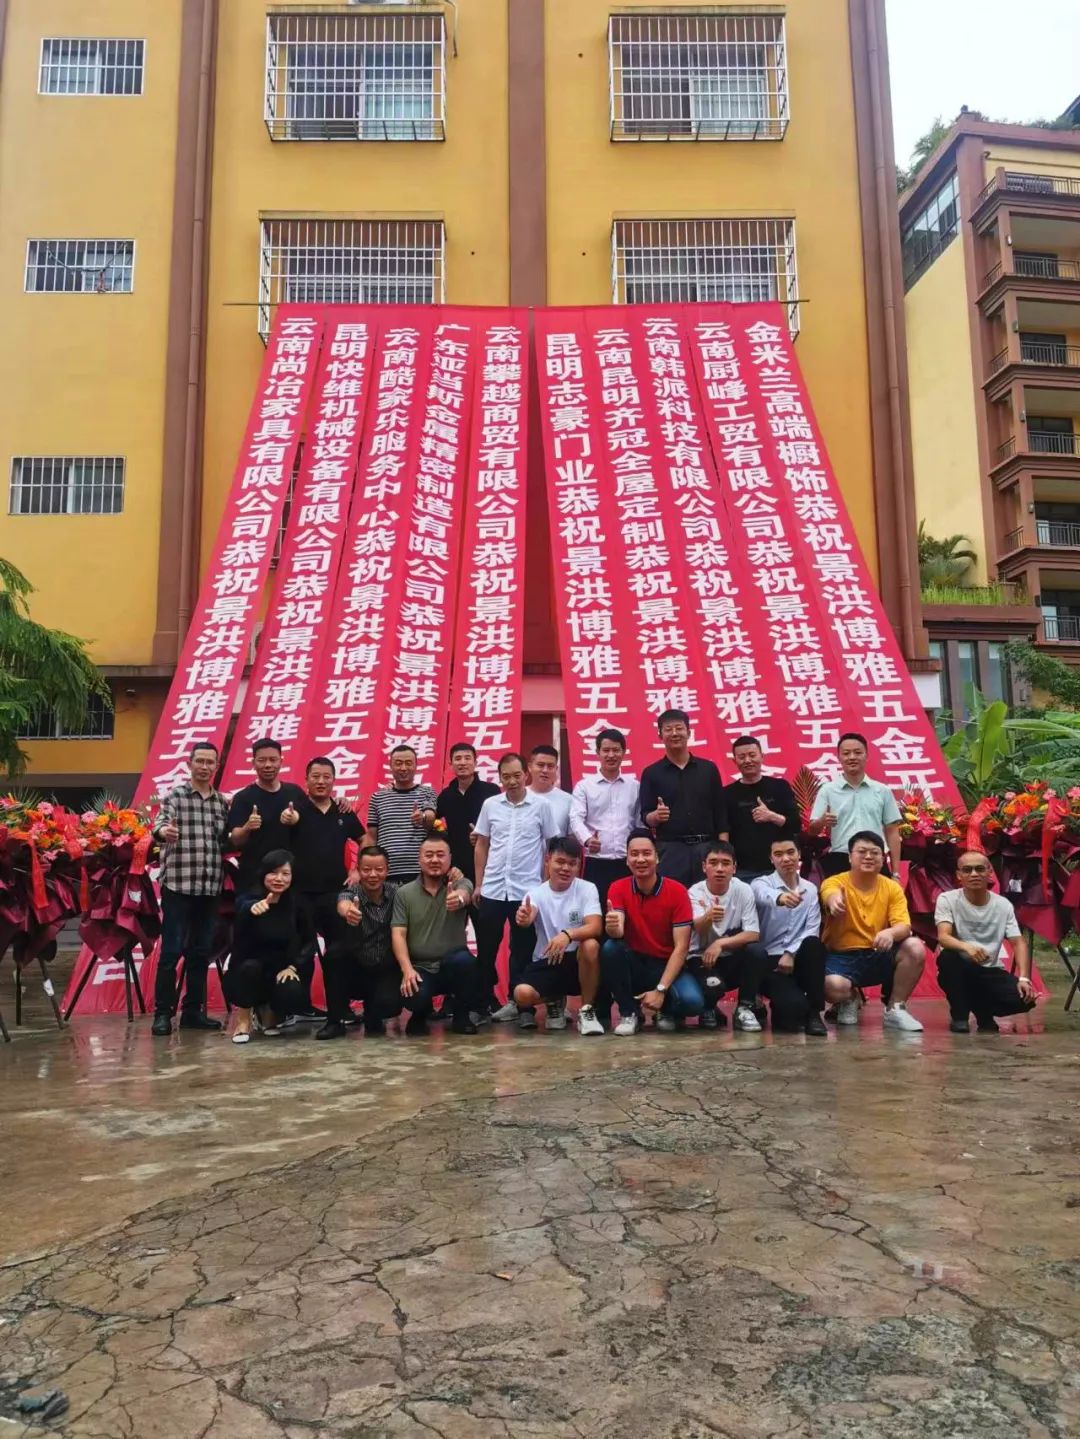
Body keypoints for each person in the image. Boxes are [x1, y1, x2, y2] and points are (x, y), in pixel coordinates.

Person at [473, 751, 560, 1022]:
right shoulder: (490, 805)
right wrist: (478, 884)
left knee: (522, 949)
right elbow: (482, 844)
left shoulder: (541, 806)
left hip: (526, 891)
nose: (511, 781)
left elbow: (551, 847)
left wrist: (546, 886)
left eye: (516, 775)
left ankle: (521, 1006)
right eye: (506, 776)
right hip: (493, 888)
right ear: (499, 778)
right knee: (486, 949)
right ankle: (482, 1003)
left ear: (526, 774)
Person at [151, 742, 230, 1036]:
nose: (205, 767)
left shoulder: (222, 803)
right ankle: (162, 1014)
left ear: (217, 766)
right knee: (171, 952)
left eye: (210, 762)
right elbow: (159, 826)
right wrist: (165, 832)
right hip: (178, 886)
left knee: (200, 952)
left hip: (209, 888)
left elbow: (225, 841)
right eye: (200, 761)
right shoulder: (176, 797)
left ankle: (193, 1012)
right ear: (190, 764)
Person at [820, 830, 926, 1032]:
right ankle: (850, 998)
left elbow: (904, 926)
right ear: (850, 857)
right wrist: (834, 901)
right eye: (862, 852)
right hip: (842, 956)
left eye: (875, 852)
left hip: (878, 952)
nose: (868, 857)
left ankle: (896, 1008)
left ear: (883, 858)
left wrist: (890, 933)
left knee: (915, 947)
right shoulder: (835, 882)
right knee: (832, 986)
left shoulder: (892, 888)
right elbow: (829, 893)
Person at [601, 828, 703, 1035]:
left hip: (666, 965)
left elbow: (681, 947)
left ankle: (665, 1010)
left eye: (646, 853)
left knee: (692, 1002)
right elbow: (617, 930)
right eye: (634, 854)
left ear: (657, 857)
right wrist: (612, 927)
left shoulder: (677, 891)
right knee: (610, 948)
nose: (640, 859)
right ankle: (629, 1013)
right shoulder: (618, 888)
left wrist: (661, 989)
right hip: (635, 964)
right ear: (627, 859)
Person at [289, 756, 366, 1019]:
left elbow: (365, 839)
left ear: (334, 780)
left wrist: (357, 869)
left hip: (335, 894)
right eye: (316, 777)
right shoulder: (296, 810)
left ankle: (340, 1008)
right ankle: (299, 1006)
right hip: (300, 893)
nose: (321, 782)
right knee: (303, 951)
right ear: (306, 780)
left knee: (338, 951)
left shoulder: (342, 810)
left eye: (326, 777)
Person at [935, 851, 1037, 1033]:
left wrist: (1024, 978)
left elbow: (1018, 942)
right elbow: (943, 937)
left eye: (980, 869)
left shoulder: (1003, 905)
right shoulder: (947, 899)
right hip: (960, 965)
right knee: (949, 958)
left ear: (990, 872)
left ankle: (983, 1014)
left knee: (1024, 999)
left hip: (990, 970)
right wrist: (967, 947)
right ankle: (959, 1015)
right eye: (967, 870)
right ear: (959, 875)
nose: (974, 874)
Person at [513, 835, 604, 1035]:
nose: (565, 868)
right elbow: (528, 916)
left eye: (572, 863)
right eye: (560, 862)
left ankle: (586, 1011)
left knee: (591, 945)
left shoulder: (587, 888)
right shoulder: (535, 894)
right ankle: (554, 999)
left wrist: (568, 935)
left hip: (577, 960)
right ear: (547, 860)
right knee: (522, 994)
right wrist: (524, 917)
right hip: (548, 960)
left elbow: (596, 926)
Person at [391, 835, 480, 1035]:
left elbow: (465, 893)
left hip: (451, 965)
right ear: (419, 859)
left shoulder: (459, 884)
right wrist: (407, 970)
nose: (434, 860)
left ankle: (462, 1016)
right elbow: (398, 934)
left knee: (467, 963)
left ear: (450, 859)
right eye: (429, 855)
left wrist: (459, 899)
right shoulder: (404, 893)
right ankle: (420, 1014)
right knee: (415, 994)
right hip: (420, 968)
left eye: (440, 855)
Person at [316, 846, 401, 1039]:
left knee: (388, 1006)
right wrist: (348, 911)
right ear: (358, 870)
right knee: (334, 956)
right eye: (366, 869)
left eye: (379, 869)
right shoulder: (350, 893)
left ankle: (374, 1014)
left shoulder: (398, 893)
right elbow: (343, 903)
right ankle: (334, 1021)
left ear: (387, 870)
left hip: (385, 967)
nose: (373, 875)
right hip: (357, 968)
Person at [687, 842, 772, 1032]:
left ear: (734, 868)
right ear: (704, 867)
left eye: (725, 863)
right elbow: (697, 928)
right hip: (701, 958)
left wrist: (720, 943)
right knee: (713, 986)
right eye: (713, 863)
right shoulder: (694, 892)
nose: (719, 869)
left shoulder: (743, 889)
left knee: (757, 952)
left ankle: (744, 1007)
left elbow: (753, 933)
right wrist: (708, 917)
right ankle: (708, 1007)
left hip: (730, 957)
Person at [638, 709, 728, 886]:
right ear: (660, 735)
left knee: (709, 898)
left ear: (689, 732)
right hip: (671, 850)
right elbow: (645, 816)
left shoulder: (708, 769)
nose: (674, 733)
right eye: (668, 729)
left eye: (679, 728)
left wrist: (724, 849)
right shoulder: (651, 773)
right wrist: (655, 816)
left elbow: (720, 812)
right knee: (672, 898)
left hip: (707, 847)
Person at [227, 850, 306, 1044]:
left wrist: (293, 967)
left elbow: (308, 940)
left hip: (279, 969)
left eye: (285, 874)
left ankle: (269, 1015)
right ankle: (243, 1020)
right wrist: (253, 908)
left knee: (293, 990)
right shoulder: (248, 898)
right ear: (263, 874)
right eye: (273, 872)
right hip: (246, 971)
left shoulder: (297, 904)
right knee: (251, 969)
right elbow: (243, 908)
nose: (279, 879)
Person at [752, 837, 828, 1035]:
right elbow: (762, 894)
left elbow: (812, 928)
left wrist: (791, 953)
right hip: (770, 961)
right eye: (778, 854)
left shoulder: (810, 889)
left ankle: (815, 1014)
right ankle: (786, 1006)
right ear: (771, 859)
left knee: (814, 944)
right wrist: (781, 897)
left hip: (797, 956)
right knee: (793, 1010)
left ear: (799, 854)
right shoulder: (761, 883)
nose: (786, 859)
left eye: (790, 852)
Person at [809, 733, 902, 877]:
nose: (852, 757)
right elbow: (812, 830)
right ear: (839, 757)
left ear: (866, 755)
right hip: (840, 859)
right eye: (846, 753)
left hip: (875, 858)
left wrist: (895, 873)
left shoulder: (882, 791)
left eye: (858, 752)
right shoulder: (827, 791)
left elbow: (892, 832)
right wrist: (821, 822)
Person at [569, 727, 639, 909]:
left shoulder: (634, 786)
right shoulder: (584, 786)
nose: (611, 755)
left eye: (616, 750)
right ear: (597, 752)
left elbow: (639, 822)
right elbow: (575, 818)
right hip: (596, 861)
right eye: (606, 750)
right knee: (596, 910)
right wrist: (587, 840)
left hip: (627, 862)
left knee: (628, 910)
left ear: (624, 752)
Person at [225, 738, 306, 893]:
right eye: (262, 760)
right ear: (253, 763)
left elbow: (311, 821)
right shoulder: (243, 797)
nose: (268, 765)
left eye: (273, 760)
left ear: (281, 761)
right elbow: (235, 839)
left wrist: (295, 818)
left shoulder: (295, 792)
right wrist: (247, 827)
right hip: (254, 879)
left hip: (290, 878)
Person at [723, 735, 800, 881]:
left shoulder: (780, 786)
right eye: (742, 757)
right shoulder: (726, 794)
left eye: (752, 755)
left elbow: (796, 824)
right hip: (743, 870)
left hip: (779, 868)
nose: (747, 760)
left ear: (762, 756)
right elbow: (723, 831)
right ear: (734, 761)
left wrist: (772, 816)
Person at [364, 745, 438, 884]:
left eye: (408, 763)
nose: (403, 768)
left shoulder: (428, 792)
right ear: (390, 766)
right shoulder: (377, 798)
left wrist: (422, 817)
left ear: (416, 765)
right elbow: (371, 838)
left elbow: (431, 817)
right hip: (386, 873)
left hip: (419, 871)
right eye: (398, 763)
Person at [435, 742, 499, 883]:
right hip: (456, 867)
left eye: (467, 758)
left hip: (489, 863)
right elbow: (434, 824)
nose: (463, 763)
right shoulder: (445, 795)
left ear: (475, 762)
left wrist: (484, 836)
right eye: (458, 759)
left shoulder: (491, 791)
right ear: (450, 764)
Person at [527, 744, 573, 834]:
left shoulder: (568, 800)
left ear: (556, 769)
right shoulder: (518, 797)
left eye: (550, 766)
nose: (545, 770)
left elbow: (572, 836)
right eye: (540, 765)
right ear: (530, 767)